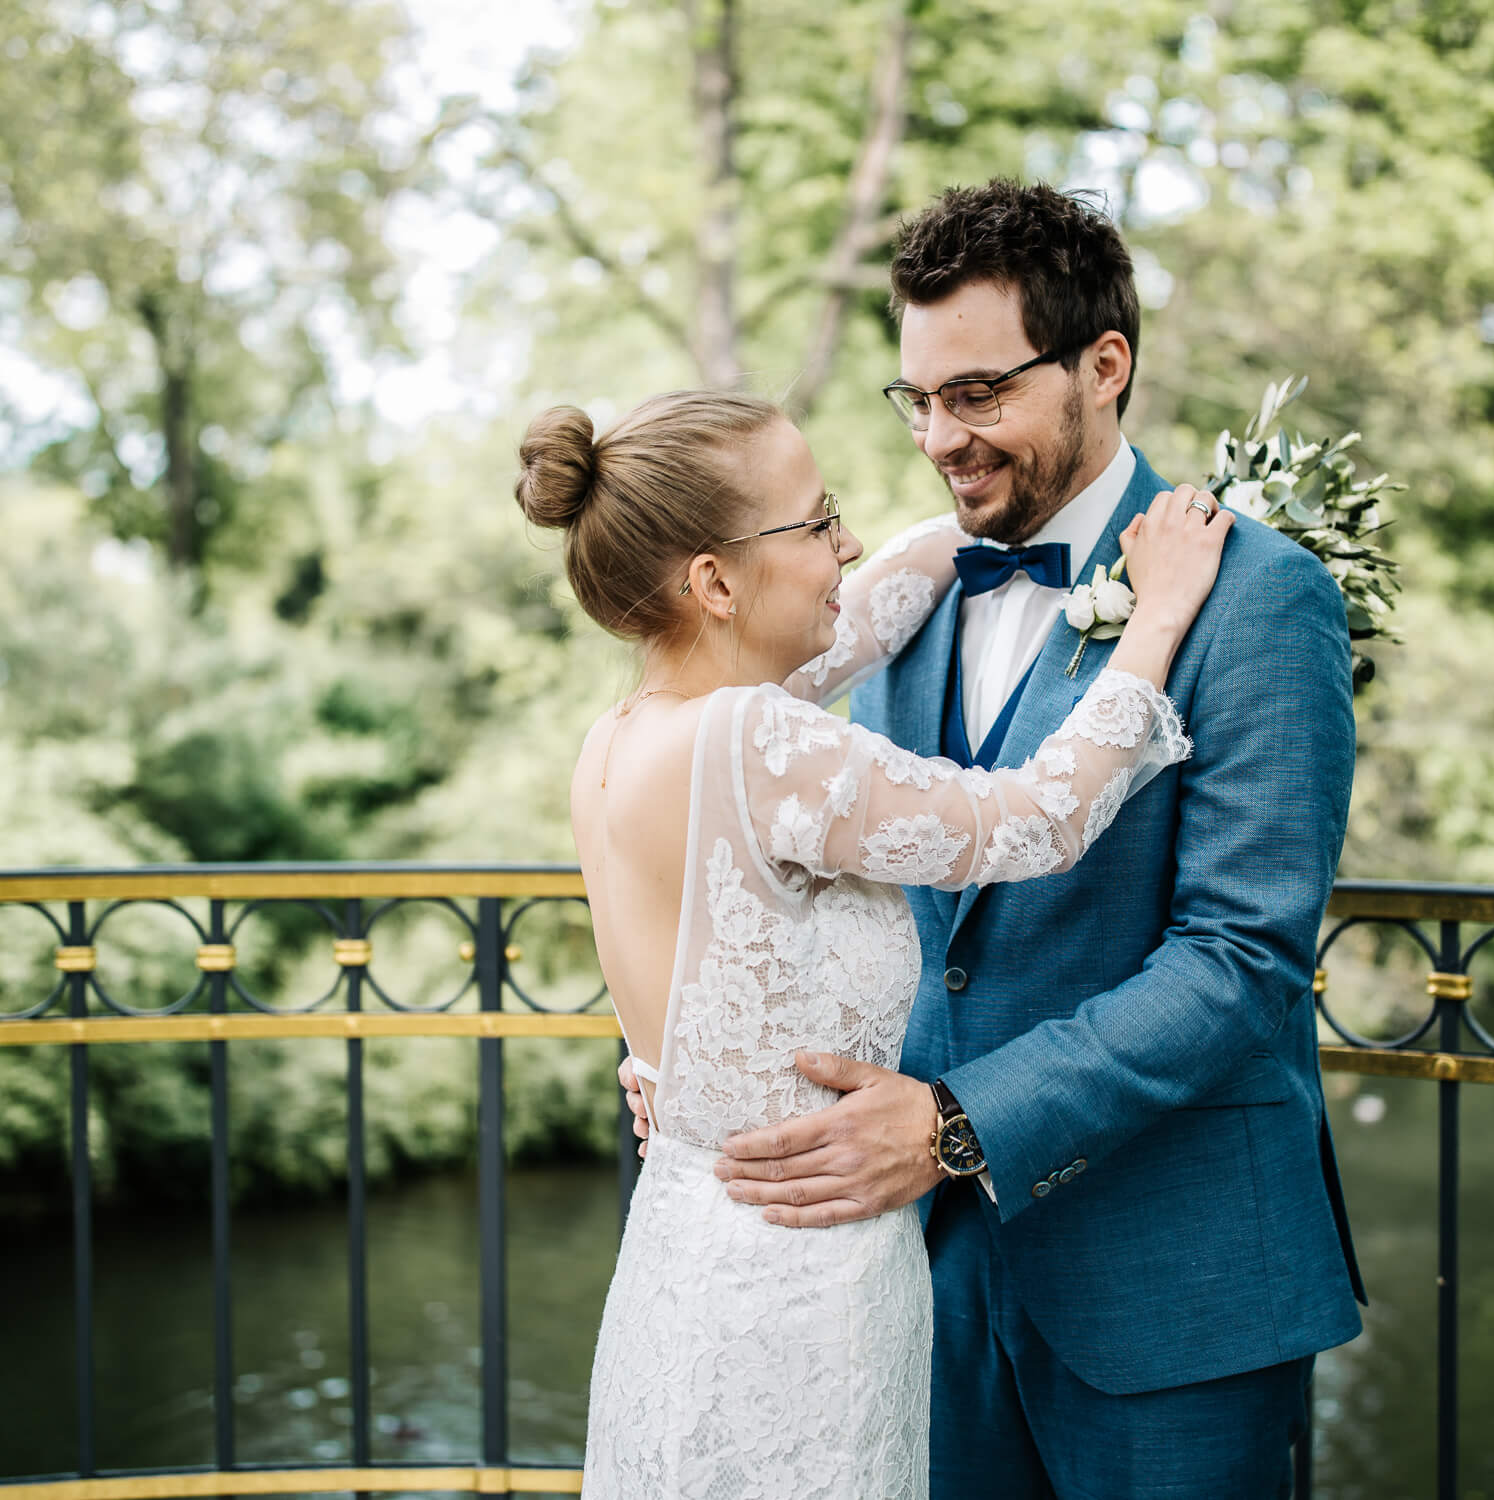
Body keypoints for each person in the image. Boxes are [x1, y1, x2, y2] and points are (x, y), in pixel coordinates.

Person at [625, 180, 1367, 1498]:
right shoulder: (891, 604)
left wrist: (959, 1124)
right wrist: (685, 1061)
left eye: (976, 395)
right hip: (914, 1276)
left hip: (1172, 1287)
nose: (937, 440)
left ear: (1102, 365)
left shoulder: (1258, 599)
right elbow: (718, 820)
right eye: (913, 401)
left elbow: (1242, 962)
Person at [517, 386, 1234, 1499]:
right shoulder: (759, 737)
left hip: (689, 1245)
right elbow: (1031, 821)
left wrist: (991, 525)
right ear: (711, 580)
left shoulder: (619, 740)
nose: (845, 543)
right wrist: (1155, 618)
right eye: (816, 522)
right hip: (807, 1275)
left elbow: (840, 630)